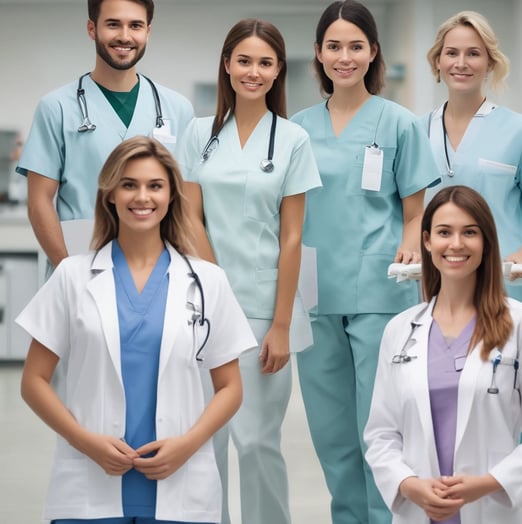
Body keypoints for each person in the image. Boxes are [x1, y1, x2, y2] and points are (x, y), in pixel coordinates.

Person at [17, 136, 257, 524]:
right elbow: (33, 382)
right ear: (110, 193)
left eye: (155, 186)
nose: (141, 197)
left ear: (171, 196)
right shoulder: (72, 276)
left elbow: (230, 388)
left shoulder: (207, 280)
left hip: (182, 486)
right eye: (129, 184)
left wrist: (188, 446)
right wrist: (86, 443)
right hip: (89, 487)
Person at [290, 1, 439, 522]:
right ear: (318, 53)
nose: (344, 56)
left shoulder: (398, 122)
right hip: (313, 292)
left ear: (372, 52)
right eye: (334, 46)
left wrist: (412, 241)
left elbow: (415, 208)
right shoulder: (296, 128)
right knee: (331, 431)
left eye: (355, 46)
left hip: (380, 288)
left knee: (379, 427)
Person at [175, 18, 322, 524]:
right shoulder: (199, 134)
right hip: (202, 307)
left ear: (278, 69)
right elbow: (188, 216)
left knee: (257, 441)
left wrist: (281, 324)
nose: (253, 71)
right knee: (206, 439)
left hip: (264, 309)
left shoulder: (294, 139)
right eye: (244, 60)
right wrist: (217, 291)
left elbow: (292, 237)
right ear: (227, 64)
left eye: (264, 62)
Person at [423, 11, 522, 517]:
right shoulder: (416, 131)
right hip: (439, 297)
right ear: (436, 61)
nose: (461, 63)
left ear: (490, 62)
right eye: (452, 52)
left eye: (473, 53)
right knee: (447, 416)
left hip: (505, 297)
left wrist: (520, 261)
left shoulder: (521, 132)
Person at [364, 185, 522, 524]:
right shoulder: (400, 332)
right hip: (420, 511)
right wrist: (410, 486)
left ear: (486, 241)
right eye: (445, 232)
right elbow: (381, 434)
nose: (456, 244)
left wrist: (487, 485)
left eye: (469, 233)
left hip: (493, 508)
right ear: (427, 241)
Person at [16, 0, 194, 269]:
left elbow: (187, 201)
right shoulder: (57, 107)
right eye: (113, 24)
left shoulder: (178, 109)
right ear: (92, 29)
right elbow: (39, 202)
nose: (125, 36)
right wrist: (69, 272)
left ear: (148, 31)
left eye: (135, 25)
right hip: (80, 258)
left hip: (157, 266)